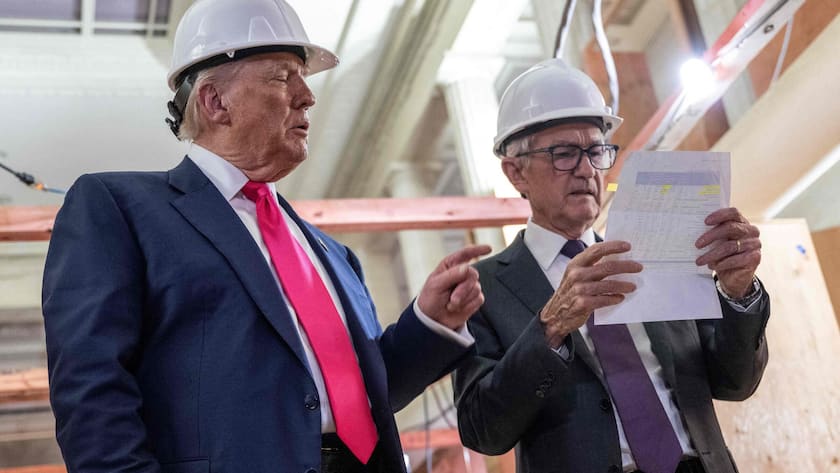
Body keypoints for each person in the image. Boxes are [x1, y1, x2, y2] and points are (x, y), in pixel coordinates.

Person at [41, 1, 490, 472]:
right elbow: (91, 391)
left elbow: (358, 396)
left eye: (304, 77)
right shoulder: (118, 207)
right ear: (215, 102)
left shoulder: (334, 255)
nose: (308, 96)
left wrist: (430, 321)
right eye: (282, 77)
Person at [452, 58, 769, 473]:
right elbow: (482, 430)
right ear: (516, 173)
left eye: (596, 151)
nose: (586, 169)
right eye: (564, 154)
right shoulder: (483, 288)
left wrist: (736, 292)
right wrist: (550, 327)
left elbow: (735, 382)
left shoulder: (655, 257)